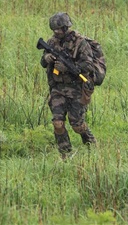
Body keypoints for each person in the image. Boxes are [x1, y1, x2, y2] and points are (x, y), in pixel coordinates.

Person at [40, 12, 99, 157]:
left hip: (76, 88)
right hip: (58, 88)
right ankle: (65, 154)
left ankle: (91, 142)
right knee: (57, 123)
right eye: (54, 30)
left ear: (66, 28)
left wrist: (68, 68)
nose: (56, 32)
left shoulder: (80, 43)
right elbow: (43, 61)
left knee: (77, 125)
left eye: (59, 29)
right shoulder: (52, 42)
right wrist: (47, 58)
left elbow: (88, 64)